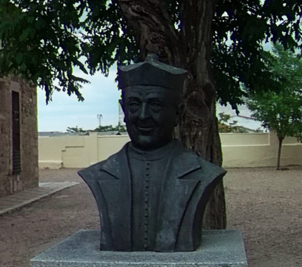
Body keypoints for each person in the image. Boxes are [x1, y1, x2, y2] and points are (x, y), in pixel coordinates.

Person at [81, 59, 223, 252]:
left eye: (155, 105)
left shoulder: (203, 173)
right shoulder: (100, 173)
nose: (143, 115)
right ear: (124, 110)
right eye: (134, 105)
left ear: (178, 113)